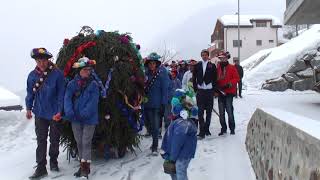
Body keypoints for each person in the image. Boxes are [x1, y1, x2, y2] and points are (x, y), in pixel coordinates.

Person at [26, 48, 65, 179]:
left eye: (43, 60)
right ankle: (41, 167)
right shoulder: (32, 76)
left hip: (55, 114)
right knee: (41, 140)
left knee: (54, 139)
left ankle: (53, 161)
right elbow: (30, 93)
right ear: (35, 61)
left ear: (48, 60)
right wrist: (28, 108)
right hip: (40, 113)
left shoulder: (57, 74)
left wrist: (60, 111)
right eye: (38, 60)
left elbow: (61, 95)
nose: (41, 63)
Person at [64, 57, 99, 178]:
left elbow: (93, 101)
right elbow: (67, 98)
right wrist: (69, 111)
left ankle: (85, 169)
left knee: (86, 142)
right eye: (85, 70)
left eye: (89, 70)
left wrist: (84, 113)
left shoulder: (93, 84)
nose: (87, 72)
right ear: (79, 70)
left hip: (89, 119)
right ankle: (81, 165)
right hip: (75, 119)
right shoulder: (72, 84)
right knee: (79, 142)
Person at [161, 89, 197, 180]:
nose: (172, 109)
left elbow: (177, 141)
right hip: (180, 153)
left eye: (173, 106)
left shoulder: (181, 123)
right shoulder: (179, 121)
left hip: (183, 153)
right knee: (175, 172)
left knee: (180, 171)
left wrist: (172, 157)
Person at [144, 52, 169, 154]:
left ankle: (155, 146)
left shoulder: (162, 74)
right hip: (147, 103)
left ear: (157, 64)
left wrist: (163, 103)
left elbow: (165, 89)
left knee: (155, 126)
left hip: (157, 104)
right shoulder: (145, 74)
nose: (151, 65)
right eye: (150, 63)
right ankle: (154, 143)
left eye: (153, 63)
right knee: (148, 125)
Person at [193, 49, 217, 139]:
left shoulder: (212, 65)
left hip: (209, 91)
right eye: (202, 55)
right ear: (201, 56)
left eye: (206, 55)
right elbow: (194, 77)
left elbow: (215, 78)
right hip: (200, 91)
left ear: (208, 55)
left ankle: (207, 129)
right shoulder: (197, 65)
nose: (204, 56)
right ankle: (201, 131)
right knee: (200, 112)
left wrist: (214, 91)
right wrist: (196, 88)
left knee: (209, 112)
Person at [216, 51, 240, 136]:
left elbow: (237, 78)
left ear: (227, 58)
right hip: (220, 92)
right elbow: (215, 79)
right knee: (221, 113)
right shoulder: (217, 68)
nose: (222, 59)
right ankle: (223, 128)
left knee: (229, 111)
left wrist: (229, 84)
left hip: (229, 92)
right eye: (221, 58)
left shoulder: (232, 67)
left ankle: (232, 128)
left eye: (224, 58)